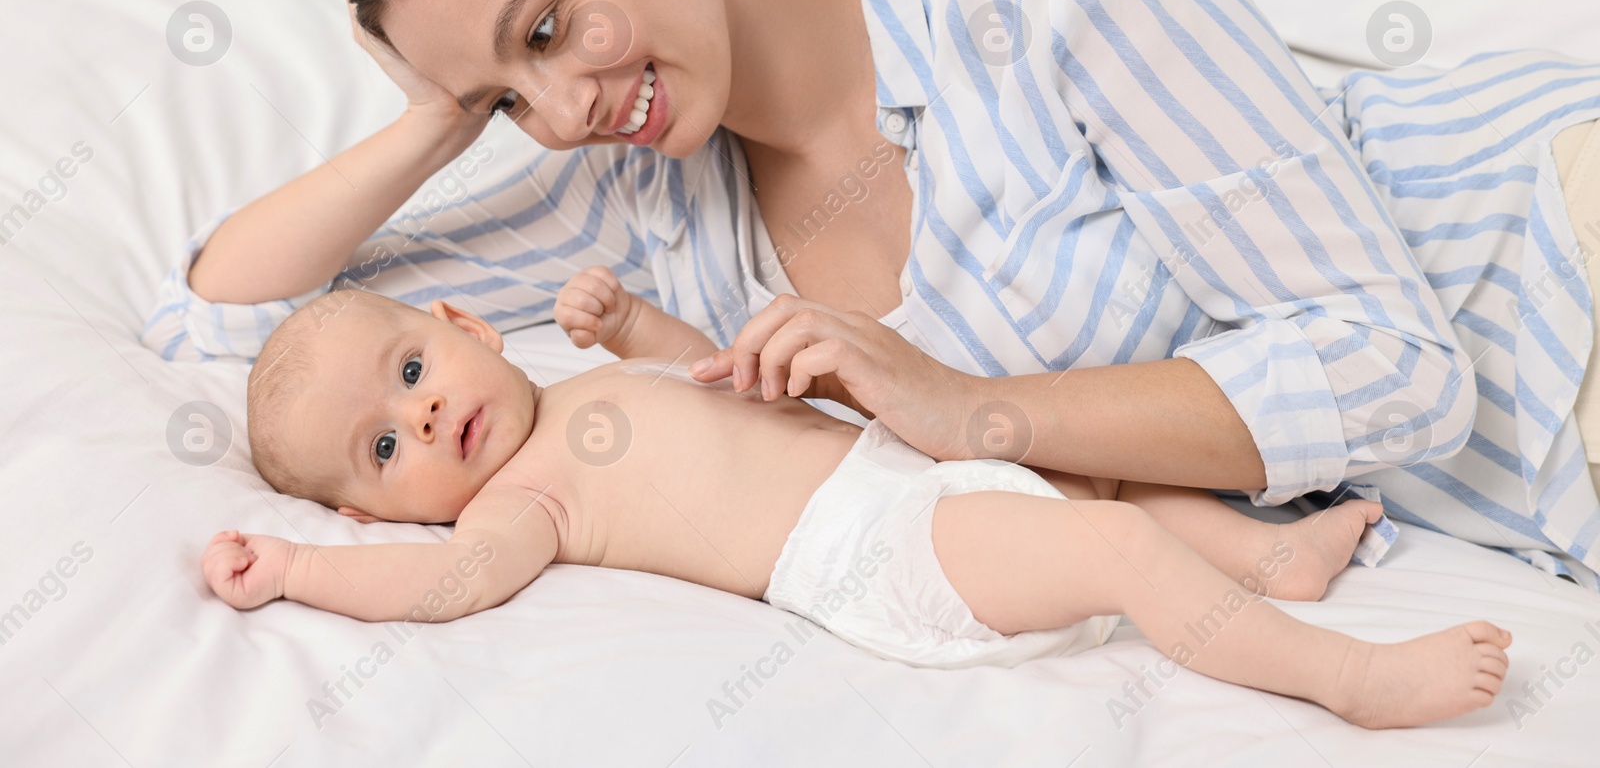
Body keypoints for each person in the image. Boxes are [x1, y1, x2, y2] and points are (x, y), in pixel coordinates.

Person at [145, 0, 1600, 587]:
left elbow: (1400, 371)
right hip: (1523, 495)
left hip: (1542, 242)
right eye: (506, 96)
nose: (562, 106)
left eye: (545, 27)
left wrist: (967, 409)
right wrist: (437, 116)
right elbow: (235, 330)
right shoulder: (638, 194)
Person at [201, 275, 1511, 730]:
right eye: (384, 450)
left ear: (456, 322)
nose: (423, 415)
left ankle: (1262, 563)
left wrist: (639, 322)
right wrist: (300, 572)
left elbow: (697, 380)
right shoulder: (523, 504)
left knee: (1089, 477)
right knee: (1107, 542)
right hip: (876, 551)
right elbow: (451, 587)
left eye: (413, 373)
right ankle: (1347, 679)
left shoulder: (567, 382)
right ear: (379, 515)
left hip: (911, 478)